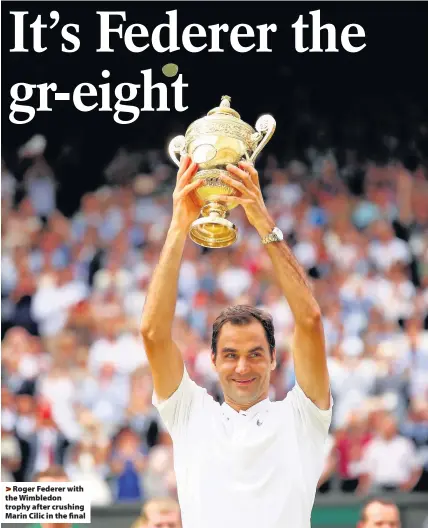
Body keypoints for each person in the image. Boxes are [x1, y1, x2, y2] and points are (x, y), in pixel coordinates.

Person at [141, 156, 332, 528]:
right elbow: (152, 334)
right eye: (230, 355)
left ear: (274, 359)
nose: (242, 367)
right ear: (212, 360)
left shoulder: (302, 416)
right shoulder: (190, 412)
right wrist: (179, 226)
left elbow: (309, 321)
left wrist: (261, 218)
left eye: (255, 354)